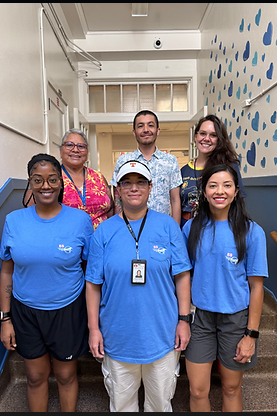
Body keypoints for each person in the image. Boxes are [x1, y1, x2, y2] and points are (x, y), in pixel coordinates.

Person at [85, 160, 192, 412]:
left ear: (151, 187)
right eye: (127, 183)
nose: (134, 188)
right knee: (121, 406)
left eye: (140, 182)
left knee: (160, 405)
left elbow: (182, 276)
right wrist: (93, 329)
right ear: (117, 190)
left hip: (162, 336)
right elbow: (92, 284)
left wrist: (184, 320)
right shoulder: (103, 232)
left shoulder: (168, 227)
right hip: (117, 336)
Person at [0, 153, 94, 412]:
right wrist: (5, 319)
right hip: (26, 312)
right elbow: (7, 272)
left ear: (61, 182)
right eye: (38, 180)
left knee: (65, 376)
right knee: (35, 377)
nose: (46, 186)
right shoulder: (14, 221)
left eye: (52, 179)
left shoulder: (80, 221)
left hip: (68, 310)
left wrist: (92, 319)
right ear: (30, 182)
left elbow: (90, 272)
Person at [182, 164, 268, 412]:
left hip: (236, 320)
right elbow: (184, 277)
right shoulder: (191, 228)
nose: (220, 191)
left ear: (236, 191)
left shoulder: (252, 232)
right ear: (204, 191)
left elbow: (257, 287)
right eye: (213, 185)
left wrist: (251, 335)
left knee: (231, 388)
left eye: (227, 185)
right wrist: (184, 318)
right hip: (200, 320)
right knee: (198, 390)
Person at [23, 128, 114, 230]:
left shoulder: (98, 177)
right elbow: (31, 215)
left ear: (87, 152)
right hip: (65, 241)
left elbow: (111, 209)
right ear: (61, 151)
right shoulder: (50, 178)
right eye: (69, 145)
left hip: (102, 241)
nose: (75, 150)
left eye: (81, 146)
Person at [110, 110, 182, 225]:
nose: (146, 130)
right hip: (131, 227)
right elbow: (118, 201)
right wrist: (120, 228)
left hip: (162, 227)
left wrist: (175, 231)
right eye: (140, 126)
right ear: (134, 132)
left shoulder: (170, 161)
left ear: (158, 130)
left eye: (150, 125)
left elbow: (175, 200)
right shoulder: (123, 161)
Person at [180, 114, 246, 229]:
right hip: (185, 228)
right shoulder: (183, 171)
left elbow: (238, 203)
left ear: (219, 139)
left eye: (213, 135)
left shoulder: (228, 167)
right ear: (195, 136)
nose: (206, 138)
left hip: (216, 229)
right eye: (203, 133)